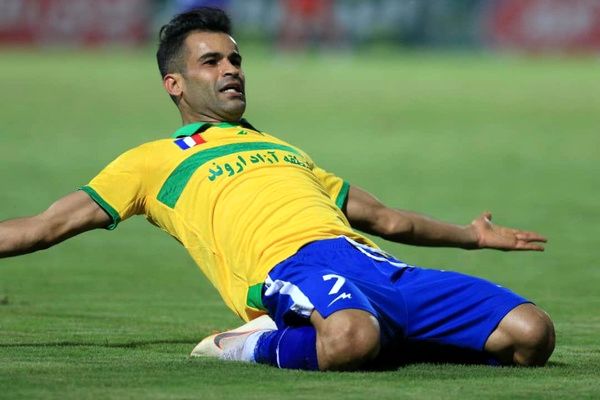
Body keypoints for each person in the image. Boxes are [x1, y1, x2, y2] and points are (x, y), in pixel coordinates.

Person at [0, 7, 554, 371]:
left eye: (235, 59)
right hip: (292, 270)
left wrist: (470, 236)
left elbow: (385, 219)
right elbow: (46, 225)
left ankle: (385, 335)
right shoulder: (151, 162)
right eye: (212, 61)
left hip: (377, 266)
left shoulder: (285, 150)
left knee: (532, 334)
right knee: (352, 339)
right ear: (175, 84)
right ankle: (243, 344)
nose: (231, 69)